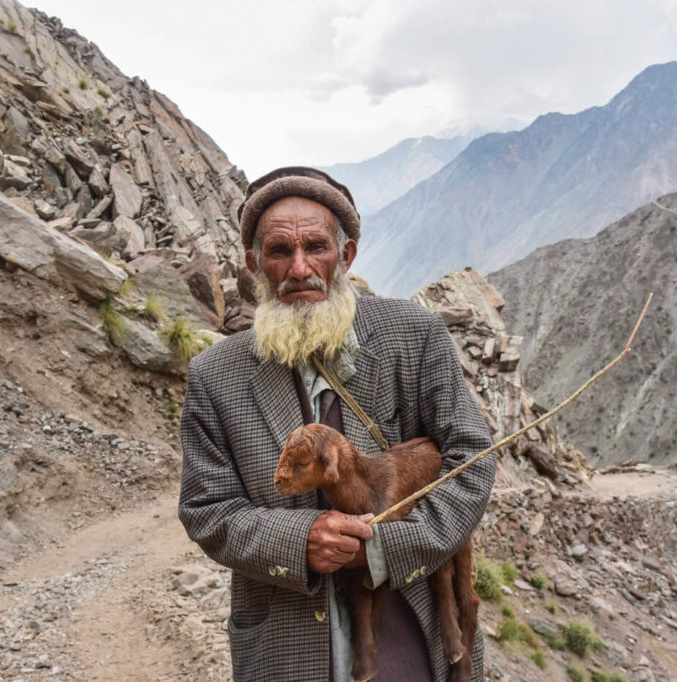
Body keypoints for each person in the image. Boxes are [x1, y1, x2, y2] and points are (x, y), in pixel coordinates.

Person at [178, 166, 495, 681]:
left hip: (415, 622)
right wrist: (300, 539)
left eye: (317, 248)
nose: (300, 268)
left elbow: (472, 460)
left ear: (344, 256)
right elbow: (205, 509)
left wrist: (384, 549)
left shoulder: (414, 334)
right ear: (255, 264)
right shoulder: (216, 374)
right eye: (279, 252)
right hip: (286, 640)